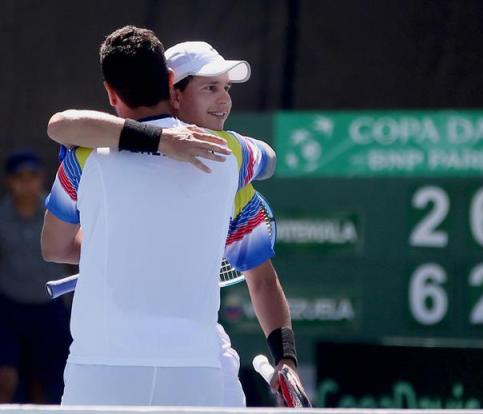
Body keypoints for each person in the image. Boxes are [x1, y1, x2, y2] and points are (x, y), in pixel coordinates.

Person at [46, 37, 305, 407]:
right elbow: (267, 158)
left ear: (111, 92)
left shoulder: (85, 155)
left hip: (102, 370)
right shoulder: (231, 158)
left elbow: (61, 128)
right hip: (194, 371)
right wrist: (166, 142)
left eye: (226, 88)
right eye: (210, 87)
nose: (224, 100)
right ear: (172, 88)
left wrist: (286, 357)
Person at [0, 151, 71, 403]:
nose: (26, 182)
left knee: (46, 385)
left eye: (32, 175)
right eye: (19, 176)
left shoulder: (59, 211)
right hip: (9, 309)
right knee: (6, 380)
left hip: (50, 309)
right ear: (9, 180)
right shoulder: (2, 215)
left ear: (42, 177)